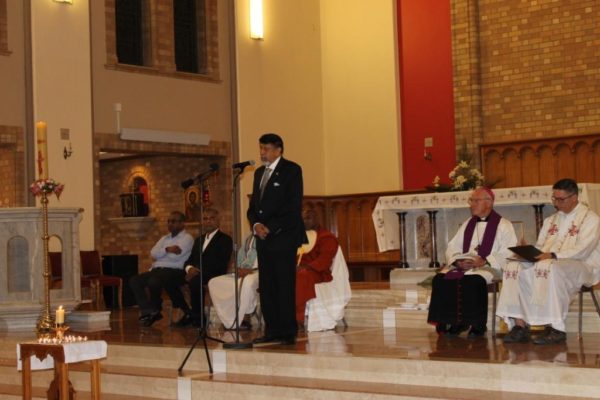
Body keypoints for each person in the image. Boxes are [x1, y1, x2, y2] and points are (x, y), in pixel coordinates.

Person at [497, 178, 600, 344]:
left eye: (561, 199)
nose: (556, 203)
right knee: (513, 266)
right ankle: (519, 324)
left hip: (582, 264)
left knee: (549, 267)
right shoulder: (550, 220)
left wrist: (553, 255)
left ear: (574, 197)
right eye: (554, 199)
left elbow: (584, 249)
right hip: (550, 260)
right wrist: (528, 252)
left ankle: (556, 328)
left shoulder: (590, 219)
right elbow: (541, 247)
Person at [427, 187, 517, 337]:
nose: (472, 204)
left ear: (489, 203)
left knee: (474, 280)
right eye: (471, 201)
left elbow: (509, 251)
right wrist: (458, 261)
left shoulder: (503, 225)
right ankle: (452, 322)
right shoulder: (468, 224)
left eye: (476, 201)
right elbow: (452, 246)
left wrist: (485, 260)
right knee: (440, 279)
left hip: (489, 267)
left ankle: (478, 325)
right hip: (466, 266)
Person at [247, 133, 307, 345]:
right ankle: (271, 329)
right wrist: (255, 224)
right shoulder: (259, 173)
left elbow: (292, 206)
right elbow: (253, 207)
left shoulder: (292, 170)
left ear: (279, 149)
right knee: (268, 285)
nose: (262, 153)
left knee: (283, 283)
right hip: (263, 238)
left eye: (266, 148)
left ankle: (287, 330)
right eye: (261, 148)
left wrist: (270, 227)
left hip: (283, 236)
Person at [130, 211, 194, 327]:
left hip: (175, 270)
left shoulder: (187, 238)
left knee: (154, 281)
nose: (170, 224)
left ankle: (155, 308)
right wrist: (167, 249)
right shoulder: (164, 238)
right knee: (135, 280)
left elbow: (176, 257)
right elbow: (153, 253)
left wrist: (164, 252)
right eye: (169, 221)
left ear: (182, 223)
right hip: (158, 270)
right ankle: (149, 310)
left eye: (173, 221)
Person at [175, 208, 233, 327]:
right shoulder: (198, 240)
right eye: (205, 219)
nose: (208, 221)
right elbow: (189, 260)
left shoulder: (225, 239)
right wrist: (189, 269)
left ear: (218, 221)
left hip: (214, 274)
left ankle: (198, 318)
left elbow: (221, 263)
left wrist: (197, 271)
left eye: (212, 218)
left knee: (195, 282)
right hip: (196, 272)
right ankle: (189, 313)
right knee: (171, 280)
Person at [296, 209, 339, 328]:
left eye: (308, 218)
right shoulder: (298, 236)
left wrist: (305, 267)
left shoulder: (326, 237)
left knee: (301, 277)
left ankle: (297, 319)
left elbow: (325, 260)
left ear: (317, 219)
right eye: (303, 219)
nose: (305, 222)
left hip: (318, 272)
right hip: (300, 270)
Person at [208, 233, 258, 330]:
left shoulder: (269, 236)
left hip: (259, 272)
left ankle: (244, 318)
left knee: (246, 282)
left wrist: (251, 270)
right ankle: (229, 319)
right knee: (214, 282)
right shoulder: (249, 238)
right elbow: (240, 256)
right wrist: (239, 268)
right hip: (243, 271)